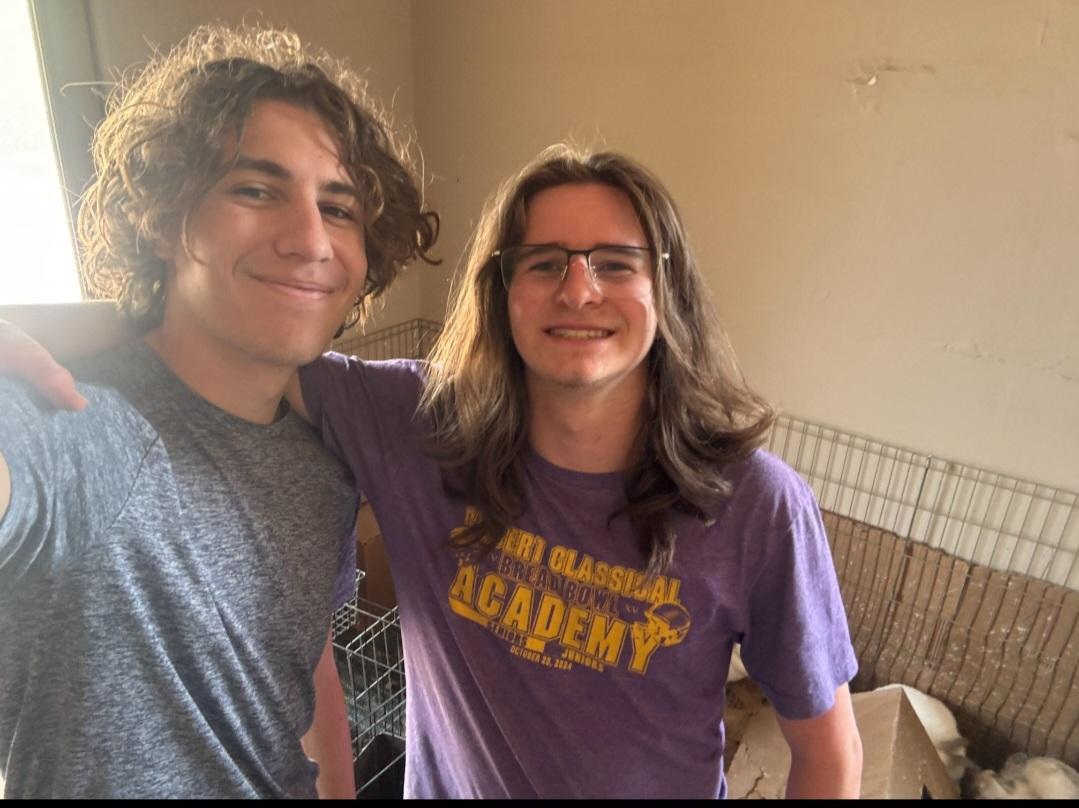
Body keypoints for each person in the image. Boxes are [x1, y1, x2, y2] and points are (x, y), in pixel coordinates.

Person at [5, 146, 862, 798]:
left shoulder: (755, 505)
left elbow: (826, 751)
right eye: (543, 262)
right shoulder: (417, 427)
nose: (578, 291)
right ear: (501, 290)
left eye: (615, 262)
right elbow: (218, 330)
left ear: (665, 289)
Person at [0, 23, 437, 798]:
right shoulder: (74, 425)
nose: (310, 240)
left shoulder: (322, 460)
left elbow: (301, 655)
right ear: (162, 220)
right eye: (256, 190)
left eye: (338, 208)